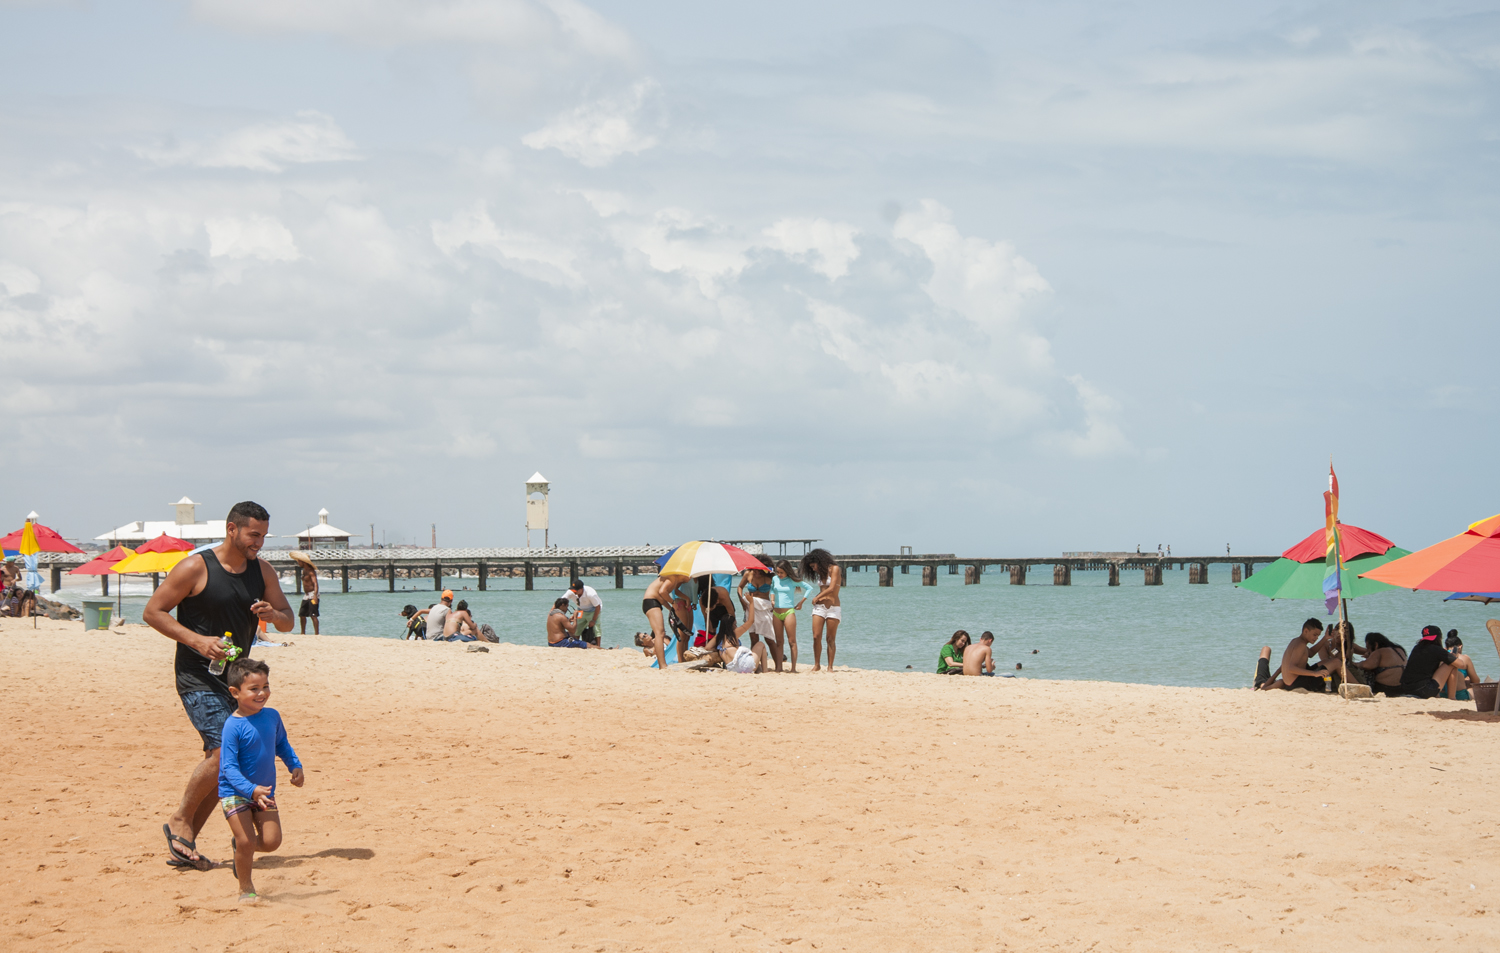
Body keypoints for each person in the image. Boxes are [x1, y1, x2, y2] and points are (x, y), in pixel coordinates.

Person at [144, 501, 293, 871]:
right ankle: (181, 819)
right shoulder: (196, 567)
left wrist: (274, 615)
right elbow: (153, 612)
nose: (259, 542)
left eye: (263, 536)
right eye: (253, 534)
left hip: (234, 682)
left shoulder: (263, 571)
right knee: (220, 752)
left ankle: (184, 841)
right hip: (196, 675)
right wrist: (197, 641)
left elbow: (288, 620)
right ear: (232, 529)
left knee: (228, 761)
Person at [219, 658, 304, 903]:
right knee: (247, 841)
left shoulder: (272, 716)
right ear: (235, 692)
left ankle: (240, 848)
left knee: (271, 842)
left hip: (265, 792)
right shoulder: (232, 726)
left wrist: (295, 765)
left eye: (265, 686)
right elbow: (228, 768)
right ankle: (245, 889)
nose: (262, 693)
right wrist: (250, 789)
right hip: (235, 793)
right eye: (254, 688)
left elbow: (281, 744)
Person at [1400, 624, 1480, 700]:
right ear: (1439, 638)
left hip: (1406, 688)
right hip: (1424, 691)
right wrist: (1453, 656)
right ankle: (1452, 698)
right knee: (1452, 664)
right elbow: (1461, 665)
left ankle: (1440, 696)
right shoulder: (1437, 649)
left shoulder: (1416, 648)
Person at [1254, 618, 1329, 691]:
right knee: (1333, 662)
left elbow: (1311, 653)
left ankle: (1267, 685)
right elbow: (1291, 668)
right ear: (1306, 631)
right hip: (1294, 683)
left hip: (1287, 682)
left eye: (1318, 636)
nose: (1316, 638)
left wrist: (1325, 638)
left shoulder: (1296, 641)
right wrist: (1315, 673)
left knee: (1326, 661)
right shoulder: (1300, 645)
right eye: (1315, 635)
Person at [769, 560, 815, 674]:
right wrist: (772, 600)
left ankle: (793, 668)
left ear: (787, 571)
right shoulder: (775, 579)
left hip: (789, 612)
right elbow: (772, 589)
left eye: (781, 572)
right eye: (778, 572)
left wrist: (801, 602)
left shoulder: (792, 581)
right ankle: (779, 667)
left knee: (792, 641)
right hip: (776, 613)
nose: (779, 574)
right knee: (779, 642)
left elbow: (809, 588)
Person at [800, 548, 842, 672]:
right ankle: (817, 664)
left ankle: (830, 667)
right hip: (819, 607)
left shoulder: (834, 569)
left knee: (830, 638)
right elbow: (823, 589)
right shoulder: (821, 573)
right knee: (816, 636)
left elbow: (832, 588)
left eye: (813, 566)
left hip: (833, 607)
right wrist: (818, 598)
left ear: (819, 562)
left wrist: (817, 597)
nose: (813, 569)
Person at [641, 572, 690, 669]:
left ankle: (662, 664)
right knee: (659, 634)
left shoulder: (675, 581)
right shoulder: (672, 578)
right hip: (650, 601)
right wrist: (672, 602)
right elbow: (662, 592)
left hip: (654, 602)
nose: (691, 578)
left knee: (660, 633)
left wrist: (672, 608)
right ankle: (662, 665)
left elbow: (663, 597)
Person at [1444, 631, 1480, 701]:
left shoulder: (1441, 656)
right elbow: (1476, 681)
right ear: (1460, 646)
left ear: (1446, 647)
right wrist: (1466, 681)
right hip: (1460, 695)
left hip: (1442, 694)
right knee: (1472, 689)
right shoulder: (1465, 659)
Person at [566, 579, 603, 645]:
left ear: (581, 589)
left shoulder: (590, 594)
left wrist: (593, 620)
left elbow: (598, 607)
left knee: (596, 628)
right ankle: (576, 644)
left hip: (593, 610)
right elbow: (561, 600)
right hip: (581, 610)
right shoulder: (571, 592)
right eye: (572, 590)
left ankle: (598, 646)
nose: (573, 592)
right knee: (577, 628)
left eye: (575, 590)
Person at [297, 563, 319, 636]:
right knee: (302, 614)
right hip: (306, 595)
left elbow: (315, 583)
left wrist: (315, 596)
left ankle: (316, 633)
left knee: (313, 615)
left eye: (299, 561)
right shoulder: (304, 571)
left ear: (304, 562)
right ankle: (302, 633)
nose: (298, 563)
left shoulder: (311, 571)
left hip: (312, 594)